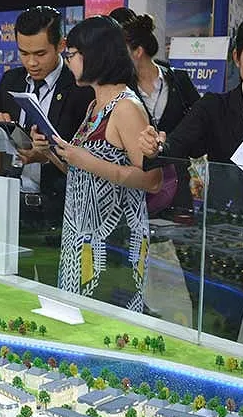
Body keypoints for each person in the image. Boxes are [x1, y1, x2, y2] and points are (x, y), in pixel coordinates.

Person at [139, 12, 243, 353]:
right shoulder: (213, 108)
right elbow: (172, 149)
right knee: (216, 343)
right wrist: (154, 145)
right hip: (222, 245)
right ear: (236, 57)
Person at [29, 16, 162, 312]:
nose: (69, 62)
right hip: (81, 237)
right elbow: (82, 173)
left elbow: (152, 179)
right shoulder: (94, 105)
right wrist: (52, 153)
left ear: (95, 54)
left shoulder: (125, 107)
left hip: (113, 245)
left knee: (108, 325)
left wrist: (86, 161)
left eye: (72, 54)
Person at [0, 6, 94, 228]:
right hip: (10, 199)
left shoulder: (81, 88)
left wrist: (47, 157)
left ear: (61, 45)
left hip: (60, 207)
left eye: (40, 54)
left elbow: (90, 157)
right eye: (24, 53)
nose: (31, 63)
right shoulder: (10, 81)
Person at [123, 13, 200, 215]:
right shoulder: (122, 87)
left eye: (121, 51)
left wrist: (171, 143)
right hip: (138, 183)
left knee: (180, 230)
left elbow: (199, 122)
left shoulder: (178, 80)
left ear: (138, 51)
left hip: (179, 181)